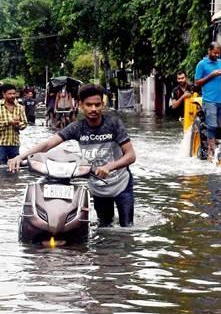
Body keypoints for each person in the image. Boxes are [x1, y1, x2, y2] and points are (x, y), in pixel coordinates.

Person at [8, 85, 137, 227]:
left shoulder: (114, 124)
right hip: (98, 187)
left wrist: (109, 166)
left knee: (127, 228)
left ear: (103, 105)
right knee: (105, 227)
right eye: (89, 105)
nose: (93, 109)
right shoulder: (77, 127)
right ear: (80, 105)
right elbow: (48, 144)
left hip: (121, 184)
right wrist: (21, 157)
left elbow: (131, 155)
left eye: (97, 104)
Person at [195, 42, 221, 160]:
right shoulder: (202, 64)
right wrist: (211, 75)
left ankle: (220, 151)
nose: (216, 55)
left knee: (220, 126)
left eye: (218, 53)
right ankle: (211, 152)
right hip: (209, 100)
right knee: (212, 125)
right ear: (209, 51)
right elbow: (197, 82)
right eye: (214, 52)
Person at [0, 84, 28, 164]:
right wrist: (9, 122)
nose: (12, 96)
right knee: (1, 168)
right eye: (10, 94)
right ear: (4, 94)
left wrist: (18, 124)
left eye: (14, 93)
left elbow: (25, 124)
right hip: (1, 144)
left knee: (15, 167)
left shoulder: (20, 107)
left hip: (14, 143)